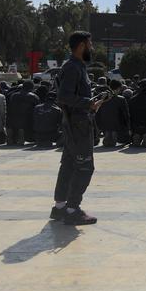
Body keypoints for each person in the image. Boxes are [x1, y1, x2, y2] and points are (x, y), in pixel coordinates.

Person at [52, 31, 103, 226]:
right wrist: (88, 104)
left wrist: (89, 104)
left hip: (74, 122)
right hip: (78, 124)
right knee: (85, 167)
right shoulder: (73, 67)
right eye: (90, 44)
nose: (92, 48)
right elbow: (64, 96)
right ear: (82, 46)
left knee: (68, 164)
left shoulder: (74, 66)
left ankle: (60, 207)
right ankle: (73, 209)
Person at [97, 79, 131, 147]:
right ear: (118, 88)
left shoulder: (102, 98)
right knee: (119, 118)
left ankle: (108, 134)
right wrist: (128, 127)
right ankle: (114, 134)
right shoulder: (121, 99)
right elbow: (126, 114)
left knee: (108, 125)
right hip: (117, 124)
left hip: (104, 123)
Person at [7, 80, 39, 146]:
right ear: (32, 87)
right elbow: (37, 109)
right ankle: (22, 135)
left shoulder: (13, 95)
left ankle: (12, 137)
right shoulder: (34, 96)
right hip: (27, 120)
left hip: (13, 119)